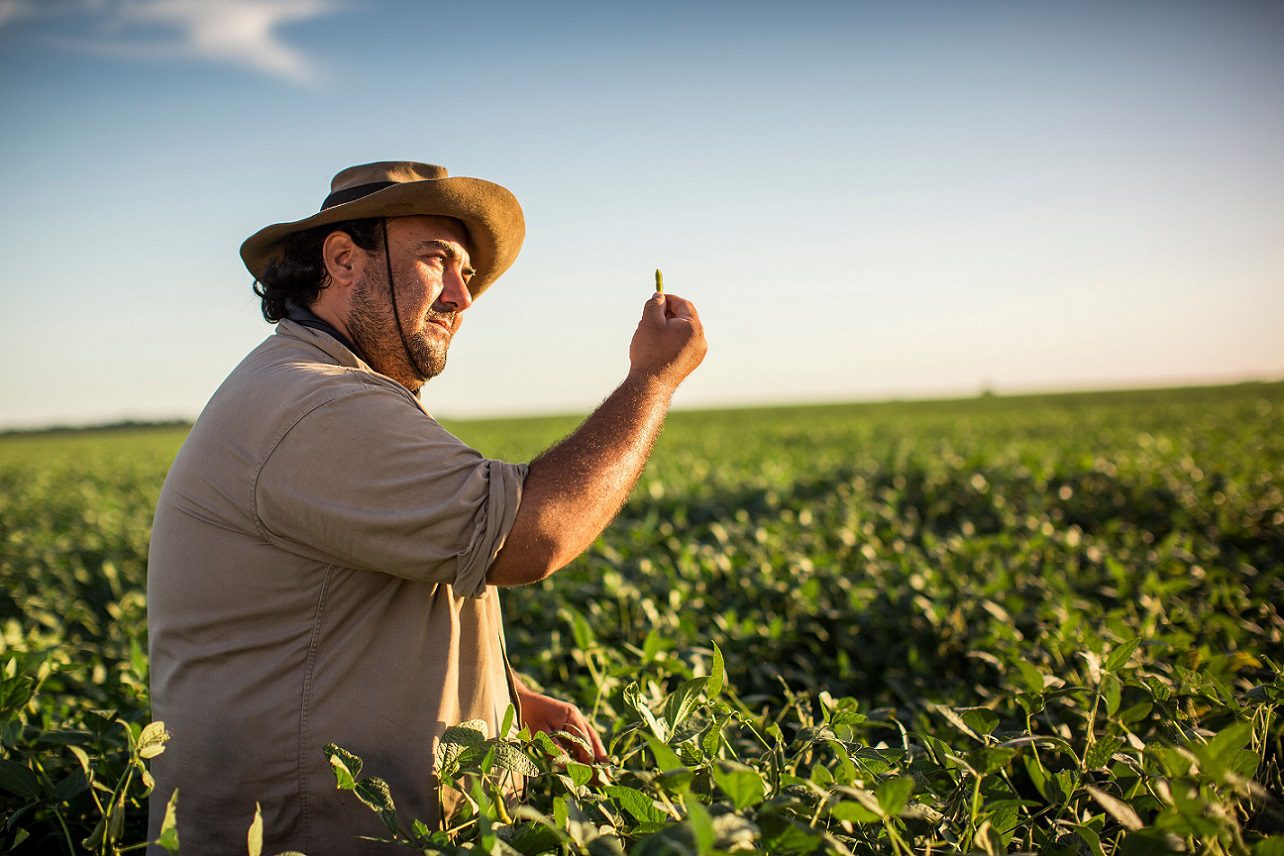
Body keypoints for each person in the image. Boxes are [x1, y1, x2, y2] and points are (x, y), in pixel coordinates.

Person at [146, 161, 707, 853]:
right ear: (344, 260)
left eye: (466, 273)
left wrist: (508, 700)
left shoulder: (320, 387)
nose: (460, 297)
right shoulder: (318, 403)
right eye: (436, 260)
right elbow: (534, 536)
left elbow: (369, 605)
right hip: (311, 835)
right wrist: (651, 381)